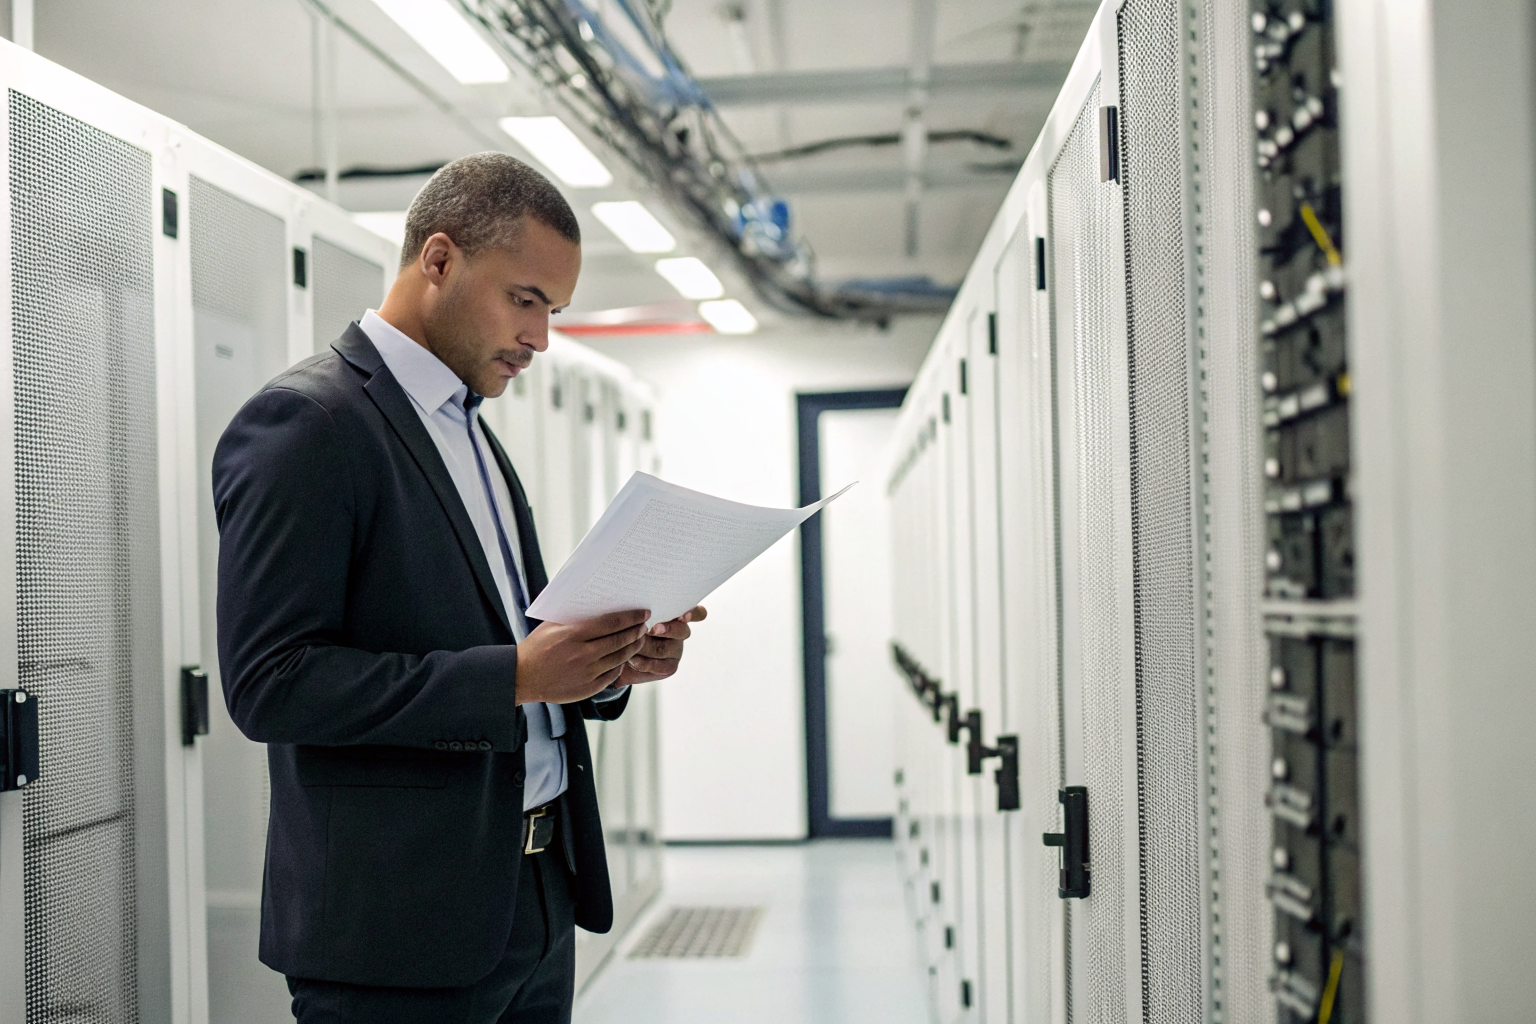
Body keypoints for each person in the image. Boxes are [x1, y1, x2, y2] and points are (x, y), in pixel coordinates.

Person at [212, 152, 705, 1023]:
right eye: (525, 300)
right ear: (438, 260)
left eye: (553, 311)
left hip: (534, 899)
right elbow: (271, 685)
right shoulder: (308, 424)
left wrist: (604, 661)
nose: (541, 339)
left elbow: (510, 636)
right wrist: (515, 676)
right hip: (398, 934)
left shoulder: (471, 431)